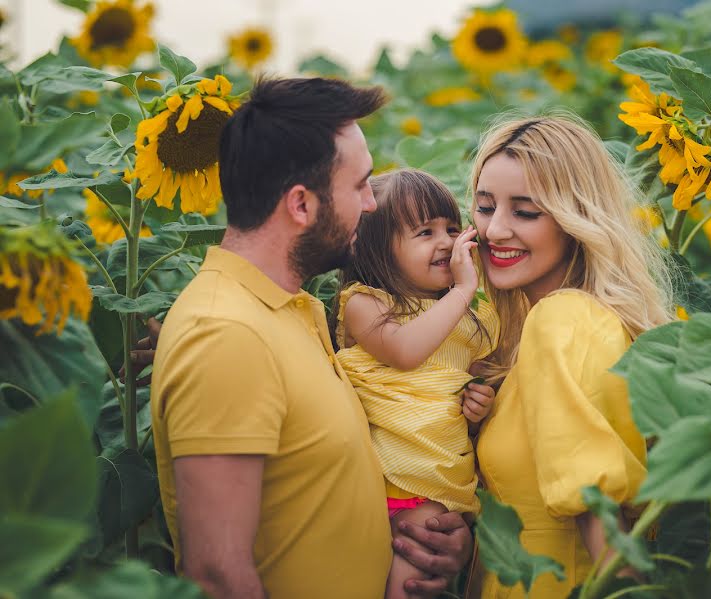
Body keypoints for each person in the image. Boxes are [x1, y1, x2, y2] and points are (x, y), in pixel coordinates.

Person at [149, 77, 472, 599]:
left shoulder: (294, 309)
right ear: (301, 204)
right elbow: (217, 576)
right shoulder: (226, 336)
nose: (371, 204)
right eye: (361, 185)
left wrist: (430, 539)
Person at [467, 115, 673, 598]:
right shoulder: (584, 322)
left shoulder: (560, 320)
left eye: (526, 212)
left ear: (576, 217)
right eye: (484, 205)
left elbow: (594, 503)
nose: (494, 230)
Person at [333, 169, 499, 599]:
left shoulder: (468, 318)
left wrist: (478, 403)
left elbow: (466, 380)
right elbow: (406, 352)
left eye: (451, 228)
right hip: (379, 482)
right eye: (425, 232)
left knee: (410, 587)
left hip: (435, 484)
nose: (445, 242)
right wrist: (464, 291)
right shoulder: (366, 304)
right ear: (377, 251)